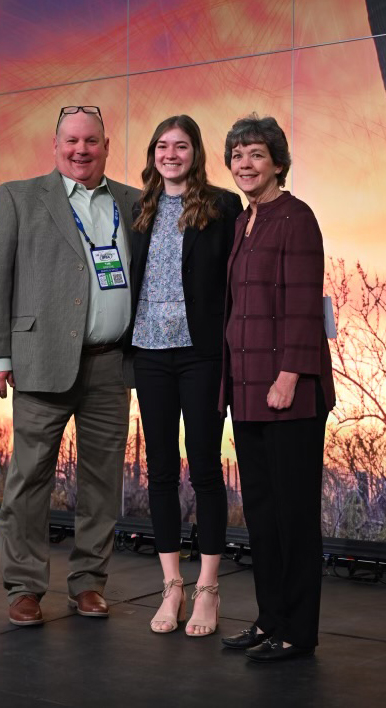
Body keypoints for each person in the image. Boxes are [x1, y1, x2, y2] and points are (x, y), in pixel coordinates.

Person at [0, 105, 140, 626]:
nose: (80, 150)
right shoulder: (19, 197)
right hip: (40, 360)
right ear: (55, 144)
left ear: (106, 146)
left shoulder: (133, 203)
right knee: (29, 478)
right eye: (71, 141)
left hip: (112, 365)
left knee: (102, 484)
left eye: (91, 141)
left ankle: (89, 583)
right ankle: (24, 587)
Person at [219, 113, 336, 661]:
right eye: (238, 154)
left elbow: (302, 306)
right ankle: (270, 621)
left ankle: (297, 632)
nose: (245, 163)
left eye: (256, 154)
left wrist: (289, 376)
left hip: (289, 394)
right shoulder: (246, 224)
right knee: (262, 515)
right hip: (247, 394)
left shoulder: (296, 218)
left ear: (278, 163)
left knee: (293, 517)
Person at [125, 115, 243, 636]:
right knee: (161, 474)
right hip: (149, 353)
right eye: (162, 146)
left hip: (200, 354)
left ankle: (208, 589)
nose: (171, 154)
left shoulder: (222, 206)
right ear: (153, 153)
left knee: (205, 470)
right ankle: (171, 585)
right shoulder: (140, 209)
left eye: (181, 146)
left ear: (196, 152)